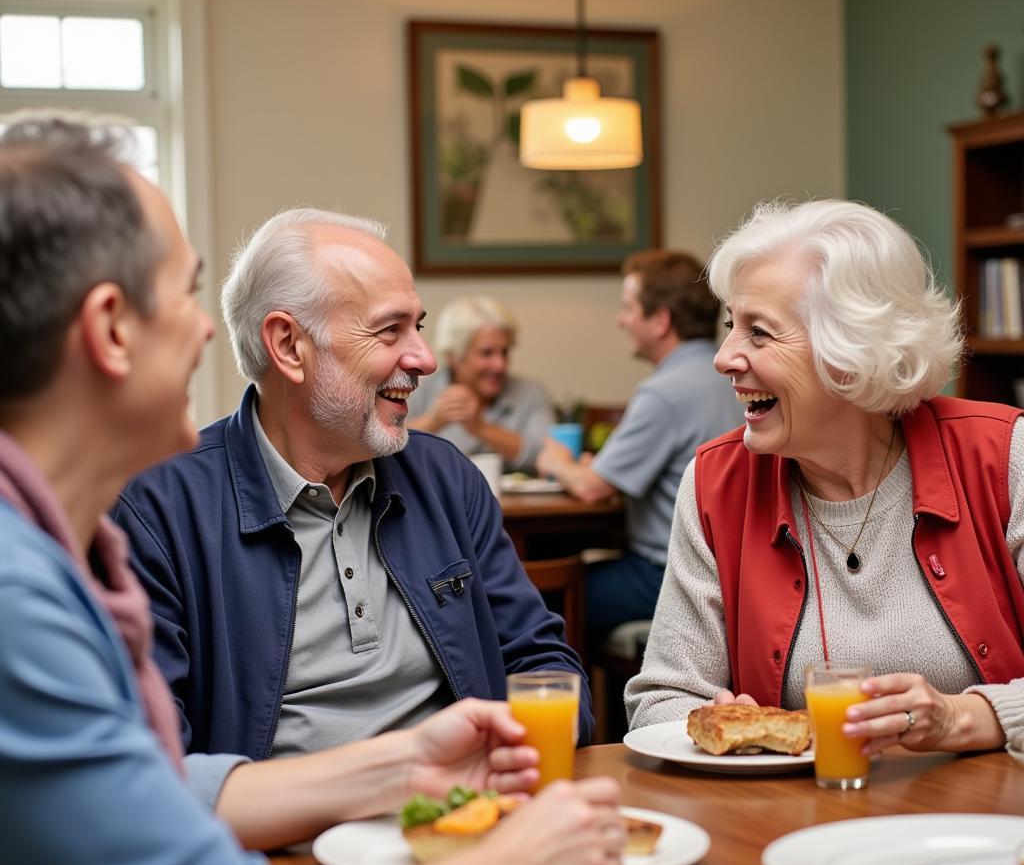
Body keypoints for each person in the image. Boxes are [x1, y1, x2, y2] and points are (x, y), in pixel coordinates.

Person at [0, 112, 624, 865]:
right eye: (184, 293)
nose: (209, 331)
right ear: (110, 328)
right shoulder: (27, 587)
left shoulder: (44, 547)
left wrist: (405, 767)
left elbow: (139, 794)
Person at [112, 210, 593, 760]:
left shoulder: (445, 478)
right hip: (282, 841)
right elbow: (152, 763)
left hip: (466, 814)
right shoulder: (160, 508)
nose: (426, 359)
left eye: (419, 326)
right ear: (289, 346)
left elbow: (545, 666)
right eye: (390, 330)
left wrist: (504, 766)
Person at [626, 198, 1024, 756]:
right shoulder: (716, 483)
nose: (723, 357)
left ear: (852, 352)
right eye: (730, 326)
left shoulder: (1003, 457)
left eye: (759, 333)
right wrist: (706, 723)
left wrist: (963, 717)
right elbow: (660, 700)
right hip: (796, 822)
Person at [536, 250, 742, 635]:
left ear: (661, 320)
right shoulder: (733, 376)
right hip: (735, 572)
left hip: (669, 576)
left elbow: (592, 487)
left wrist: (557, 461)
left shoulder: (664, 392)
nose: (621, 320)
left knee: (540, 599)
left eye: (628, 308)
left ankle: (568, 695)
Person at [406, 295, 554, 472]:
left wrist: (481, 428)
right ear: (454, 357)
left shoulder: (531, 394)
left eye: (504, 352)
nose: (500, 365)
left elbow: (549, 456)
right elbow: (382, 446)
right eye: (487, 353)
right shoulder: (416, 388)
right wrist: (433, 421)